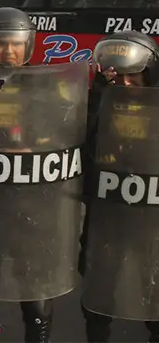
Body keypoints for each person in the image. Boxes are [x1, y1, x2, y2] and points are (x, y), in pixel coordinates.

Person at [0, 7, 84, 343]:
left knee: (34, 285)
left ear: (28, 44)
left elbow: (65, 130)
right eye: (1, 43)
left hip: (32, 204)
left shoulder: (46, 83)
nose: (8, 51)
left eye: (15, 44)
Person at [81, 31, 159, 342]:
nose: (125, 85)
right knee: (100, 298)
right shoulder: (97, 106)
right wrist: (98, 108)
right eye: (117, 78)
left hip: (151, 224)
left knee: (152, 292)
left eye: (133, 76)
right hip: (107, 220)